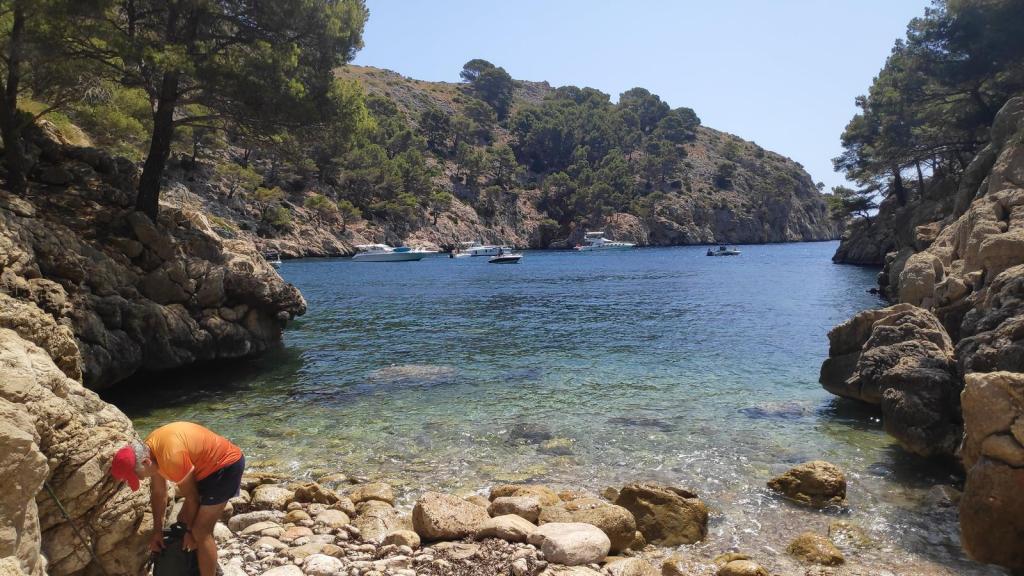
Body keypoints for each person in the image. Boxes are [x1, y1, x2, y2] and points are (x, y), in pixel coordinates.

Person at [110, 422, 245, 576]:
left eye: (138, 475)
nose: (140, 479)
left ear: (145, 462)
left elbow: (192, 497)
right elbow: (159, 493)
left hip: (226, 466)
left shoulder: (171, 458)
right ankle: (205, 566)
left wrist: (190, 532)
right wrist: (157, 531)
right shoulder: (150, 452)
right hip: (204, 469)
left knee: (200, 531)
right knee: (183, 520)